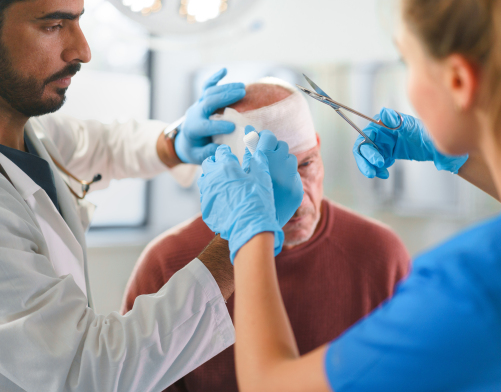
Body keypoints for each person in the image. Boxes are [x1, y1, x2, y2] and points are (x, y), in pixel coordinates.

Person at [198, 0, 501, 391]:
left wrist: (250, 231)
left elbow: (271, 385)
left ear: (459, 81)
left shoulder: (468, 289)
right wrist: (463, 157)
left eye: (407, 62)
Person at [0, 0, 258, 390]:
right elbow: (88, 370)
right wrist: (243, 235)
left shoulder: (29, 132)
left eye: (79, 21)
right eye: (53, 26)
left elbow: (104, 144)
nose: (83, 50)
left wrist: (175, 141)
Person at [121, 79, 411, 392]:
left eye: (306, 164)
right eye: (269, 178)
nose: (298, 197)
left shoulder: (380, 253)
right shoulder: (166, 264)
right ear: (229, 177)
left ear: (318, 146)